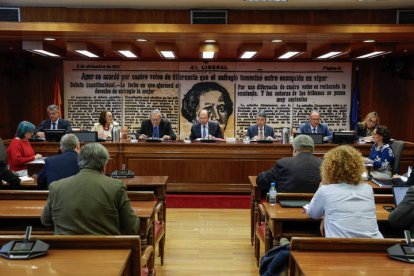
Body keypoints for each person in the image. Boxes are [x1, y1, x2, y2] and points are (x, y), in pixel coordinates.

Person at [41, 143, 140, 235]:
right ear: (104, 165)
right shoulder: (116, 187)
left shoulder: (56, 186)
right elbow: (131, 227)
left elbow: (45, 220)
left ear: (79, 161)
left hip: (64, 250)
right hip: (106, 251)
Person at [306, 145, 383, 238]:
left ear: (329, 168)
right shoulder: (367, 189)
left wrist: (321, 186)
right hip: (375, 245)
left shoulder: (325, 190)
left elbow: (313, 214)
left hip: (341, 247)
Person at [256, 135, 322, 192]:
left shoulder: (283, 163)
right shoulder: (323, 164)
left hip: (284, 204)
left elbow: (262, 182)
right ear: (313, 150)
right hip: (315, 205)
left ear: (294, 149)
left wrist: (262, 174)